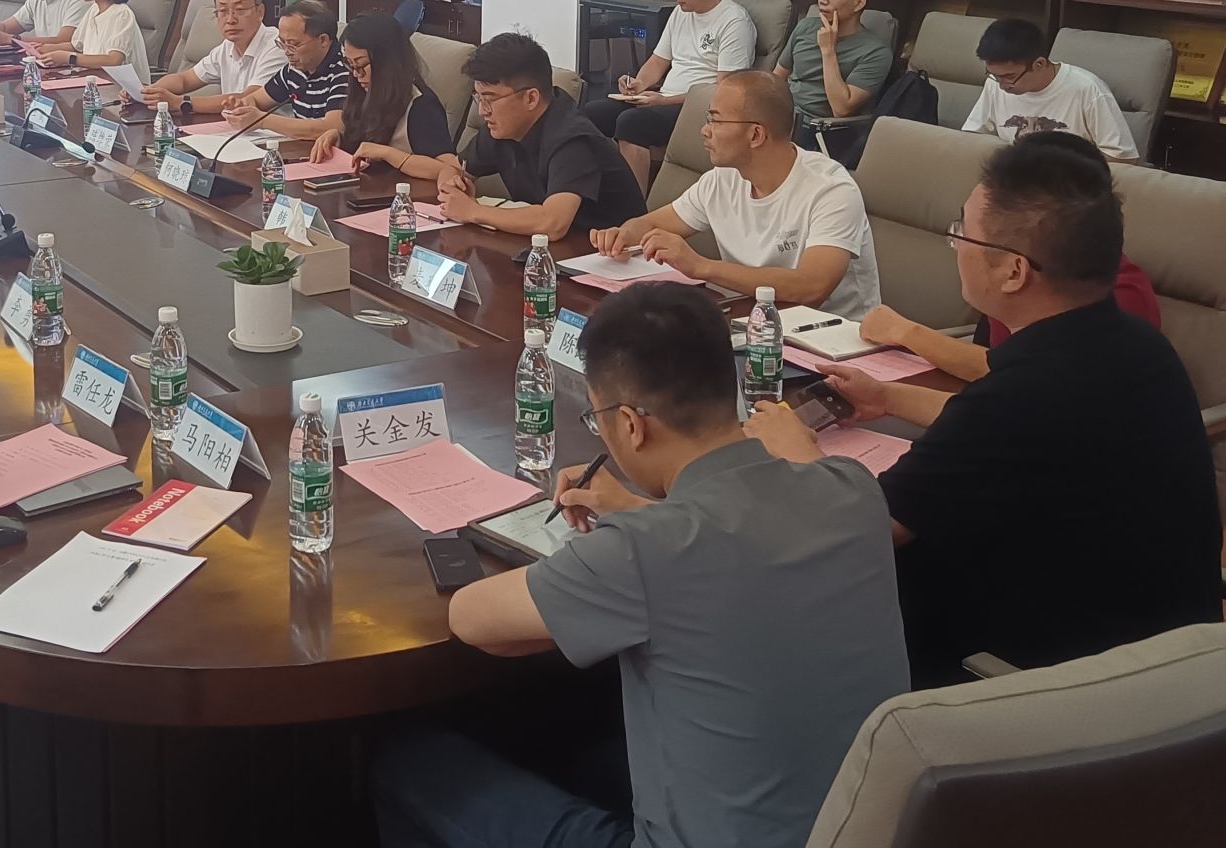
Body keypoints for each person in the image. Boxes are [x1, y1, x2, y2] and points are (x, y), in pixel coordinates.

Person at [374, 284, 908, 848]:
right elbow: (744, 536)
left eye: (598, 419)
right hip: (864, 829)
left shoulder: (642, 551)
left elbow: (472, 620)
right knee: (586, 747)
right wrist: (637, 512)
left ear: (631, 424)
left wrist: (620, 543)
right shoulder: (853, 489)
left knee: (410, 760)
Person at [743, 133, 1221, 687]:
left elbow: (862, 527)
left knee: (794, 575)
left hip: (1057, 680)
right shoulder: (1134, 345)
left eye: (962, 232)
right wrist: (889, 397)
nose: (954, 245)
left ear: (1013, 271)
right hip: (1164, 650)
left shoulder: (1022, 397)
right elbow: (1019, 436)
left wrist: (798, 450)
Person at [861, 130, 1162, 381]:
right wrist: (886, 398)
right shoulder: (1018, 276)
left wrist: (907, 333)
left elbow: (1022, 379)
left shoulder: (1108, 302)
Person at [591, 70, 882, 320]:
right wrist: (622, 234)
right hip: (752, 322)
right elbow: (651, 224)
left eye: (715, 121)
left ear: (756, 135)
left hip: (832, 343)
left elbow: (811, 287)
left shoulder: (830, 190)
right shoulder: (723, 179)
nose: (704, 131)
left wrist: (701, 267)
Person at [395, 33, 647, 239]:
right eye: (478, 98)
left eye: (490, 99)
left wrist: (472, 211)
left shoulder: (573, 139)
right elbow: (453, 167)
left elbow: (553, 223)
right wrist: (453, 185)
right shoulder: (502, 128)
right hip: (550, 253)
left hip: (609, 260)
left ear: (531, 98)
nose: (482, 111)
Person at [582, 0, 757, 193]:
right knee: (592, 113)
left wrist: (664, 101)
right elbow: (658, 61)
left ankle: (632, 205)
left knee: (632, 123)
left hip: (696, 108)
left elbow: (725, 90)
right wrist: (638, 85)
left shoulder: (734, 21)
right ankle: (592, 193)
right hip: (661, 99)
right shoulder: (681, 13)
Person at [962, 17, 1138, 161]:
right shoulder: (995, 84)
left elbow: (1123, 158)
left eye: (1009, 77)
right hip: (1012, 179)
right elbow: (972, 138)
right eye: (994, 75)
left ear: (1039, 64)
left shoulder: (1088, 89)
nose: (1002, 85)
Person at [308, 11, 454, 167]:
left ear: (387, 63)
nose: (357, 74)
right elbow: (364, 144)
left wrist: (388, 154)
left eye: (362, 64)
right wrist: (339, 137)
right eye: (351, 65)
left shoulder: (421, 106)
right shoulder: (363, 91)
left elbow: (451, 169)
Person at [772, 0, 892, 145]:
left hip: (817, 129)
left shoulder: (876, 51)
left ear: (859, 2)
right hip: (781, 117)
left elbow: (841, 109)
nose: (822, 0)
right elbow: (777, 78)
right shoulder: (805, 27)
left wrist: (828, 50)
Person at [218, 0, 351, 142]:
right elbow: (256, 99)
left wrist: (262, 120)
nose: (287, 52)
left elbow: (330, 128)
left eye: (293, 44)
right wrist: (241, 107)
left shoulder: (346, 70)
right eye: (282, 43)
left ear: (323, 40)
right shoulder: (294, 69)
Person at [141, 0, 282, 108]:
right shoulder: (227, 47)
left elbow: (249, 99)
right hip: (232, 122)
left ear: (260, 12)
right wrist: (147, 92)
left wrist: (181, 103)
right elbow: (185, 80)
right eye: (223, 11)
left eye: (240, 10)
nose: (230, 20)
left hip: (269, 125)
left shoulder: (277, 46)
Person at [36, 0, 149, 83]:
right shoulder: (94, 9)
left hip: (122, 89)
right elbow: (76, 46)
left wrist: (69, 58)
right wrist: (45, 48)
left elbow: (113, 60)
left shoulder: (122, 14)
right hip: (97, 83)